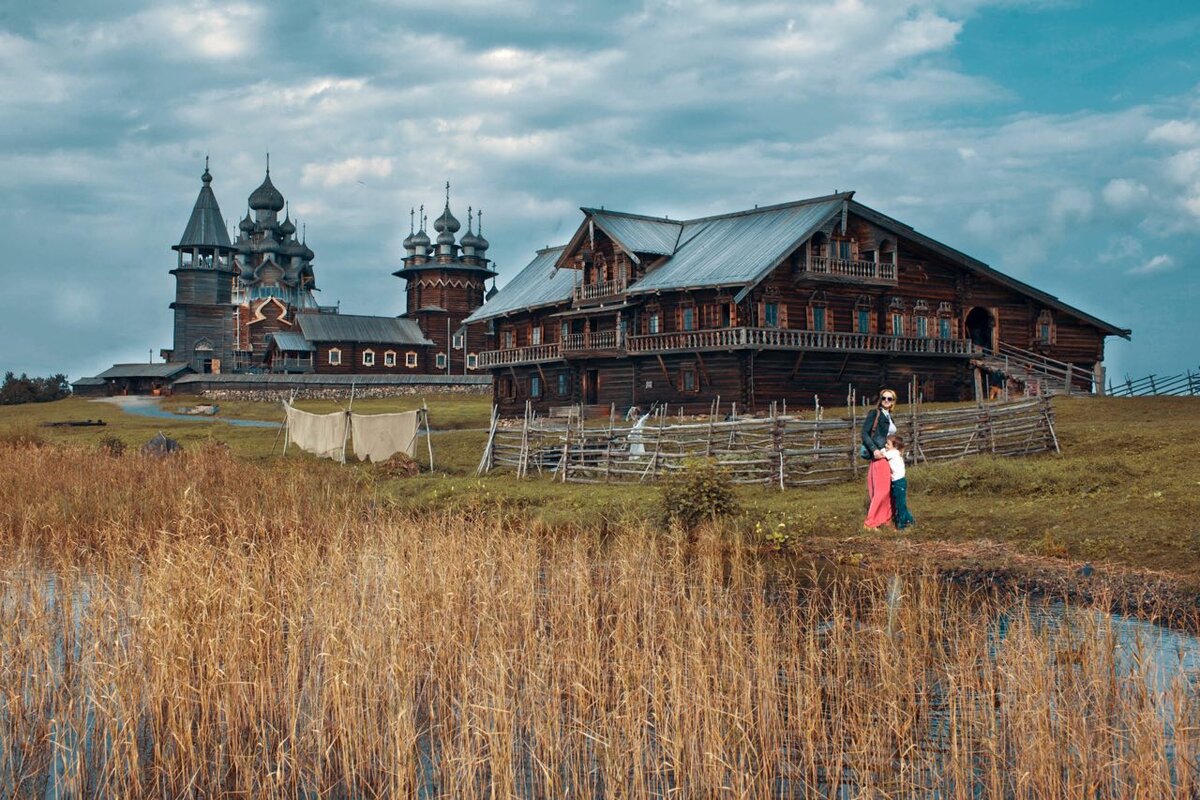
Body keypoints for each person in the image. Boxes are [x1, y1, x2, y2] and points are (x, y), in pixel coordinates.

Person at [861, 388, 898, 530]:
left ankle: (885, 520)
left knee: (887, 491)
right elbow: (864, 433)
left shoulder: (889, 416)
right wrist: (874, 449)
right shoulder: (874, 413)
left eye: (890, 399)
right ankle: (870, 523)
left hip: (888, 456)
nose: (886, 401)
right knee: (881, 491)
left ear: (893, 401)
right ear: (880, 400)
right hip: (879, 455)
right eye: (884, 398)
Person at [884, 434, 915, 530]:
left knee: (900, 505)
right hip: (899, 482)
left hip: (898, 482)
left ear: (895, 446)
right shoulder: (895, 452)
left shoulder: (893, 453)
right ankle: (910, 521)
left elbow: (881, 455)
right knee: (901, 503)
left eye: (888, 444)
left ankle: (902, 526)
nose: (886, 446)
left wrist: (876, 450)